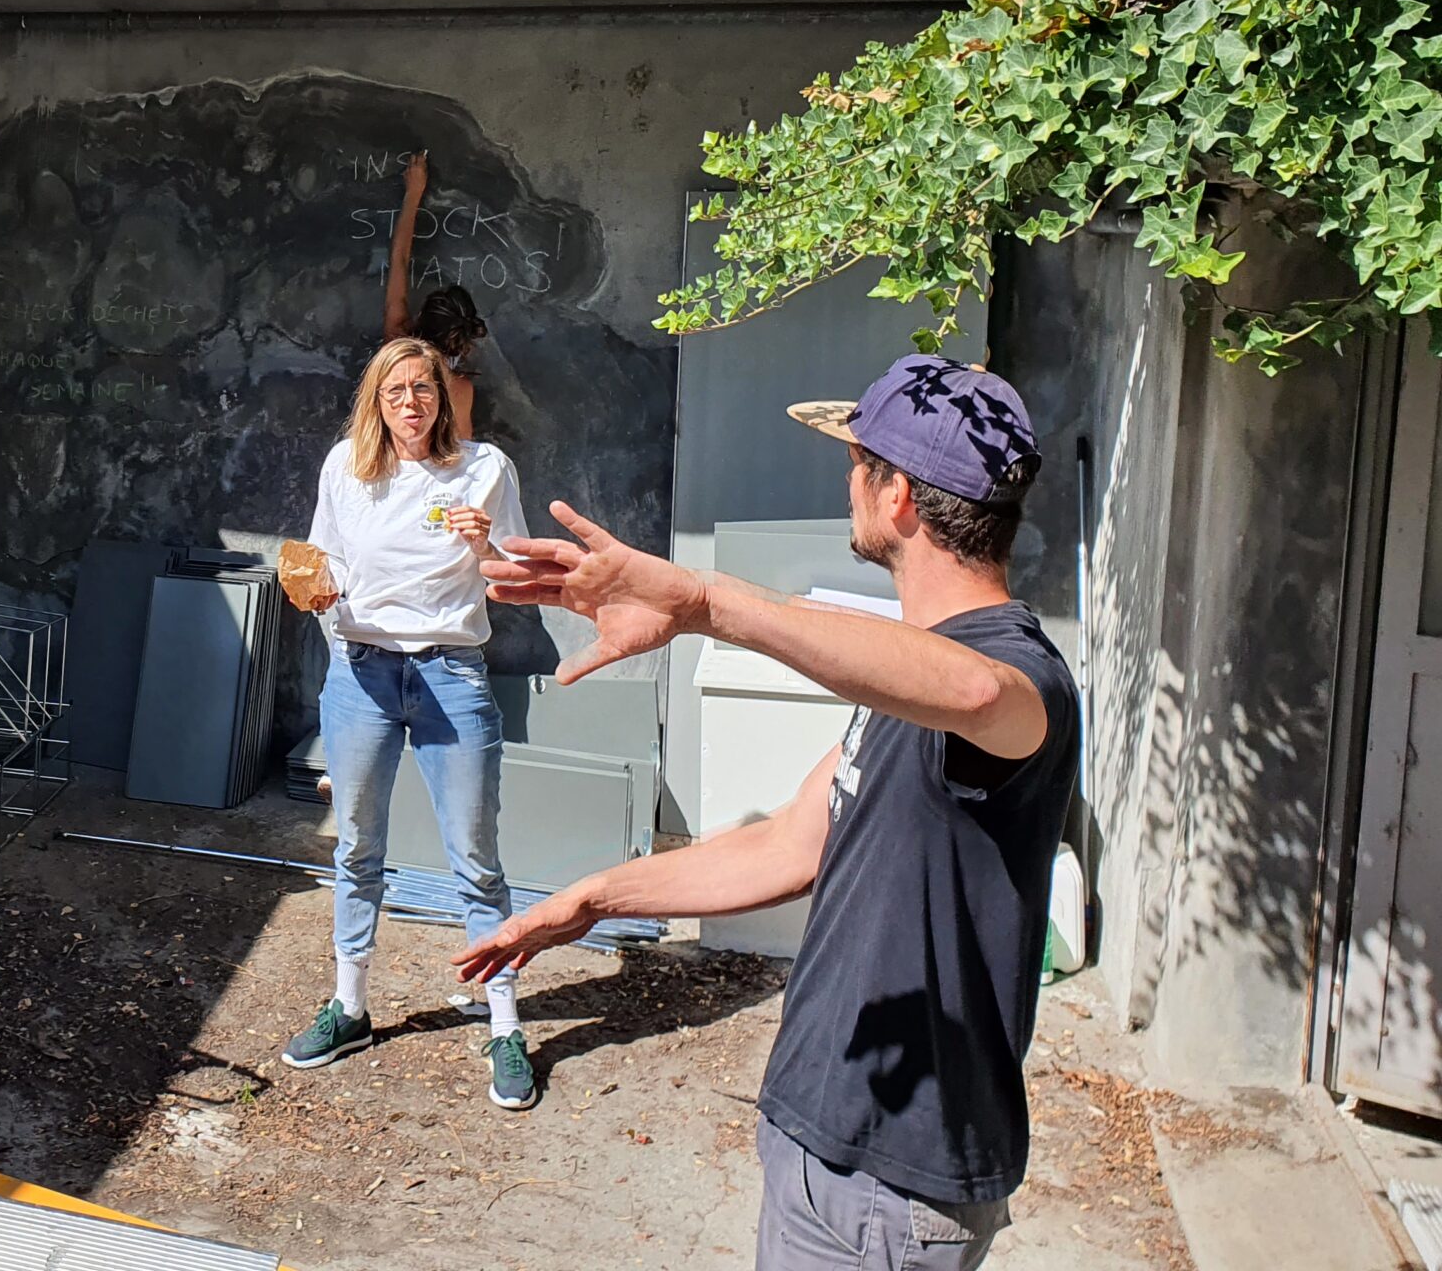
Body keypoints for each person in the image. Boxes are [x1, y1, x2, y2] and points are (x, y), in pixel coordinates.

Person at [461, 356, 1076, 1269]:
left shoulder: (1015, 679)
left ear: (899, 496)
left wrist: (706, 601)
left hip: (895, 1184)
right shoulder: (916, 673)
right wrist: (591, 900)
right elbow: (793, 842)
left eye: (857, 461)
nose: (845, 479)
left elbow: (984, 694)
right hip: (823, 1137)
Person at [280, 335, 538, 1111]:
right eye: (395, 393)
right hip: (360, 673)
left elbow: (520, 577)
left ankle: (504, 1026)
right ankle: (351, 1008)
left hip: (450, 676)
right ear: (376, 401)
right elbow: (315, 563)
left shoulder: (484, 469)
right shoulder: (346, 468)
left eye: (423, 389)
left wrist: (484, 542)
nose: (411, 405)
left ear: (444, 396)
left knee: (475, 856)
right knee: (357, 845)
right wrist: (314, 589)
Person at [383, 151, 487, 440]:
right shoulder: (460, 391)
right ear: (463, 344)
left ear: (420, 318)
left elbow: (399, 259)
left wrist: (413, 194)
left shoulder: (395, 350)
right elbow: (463, 458)